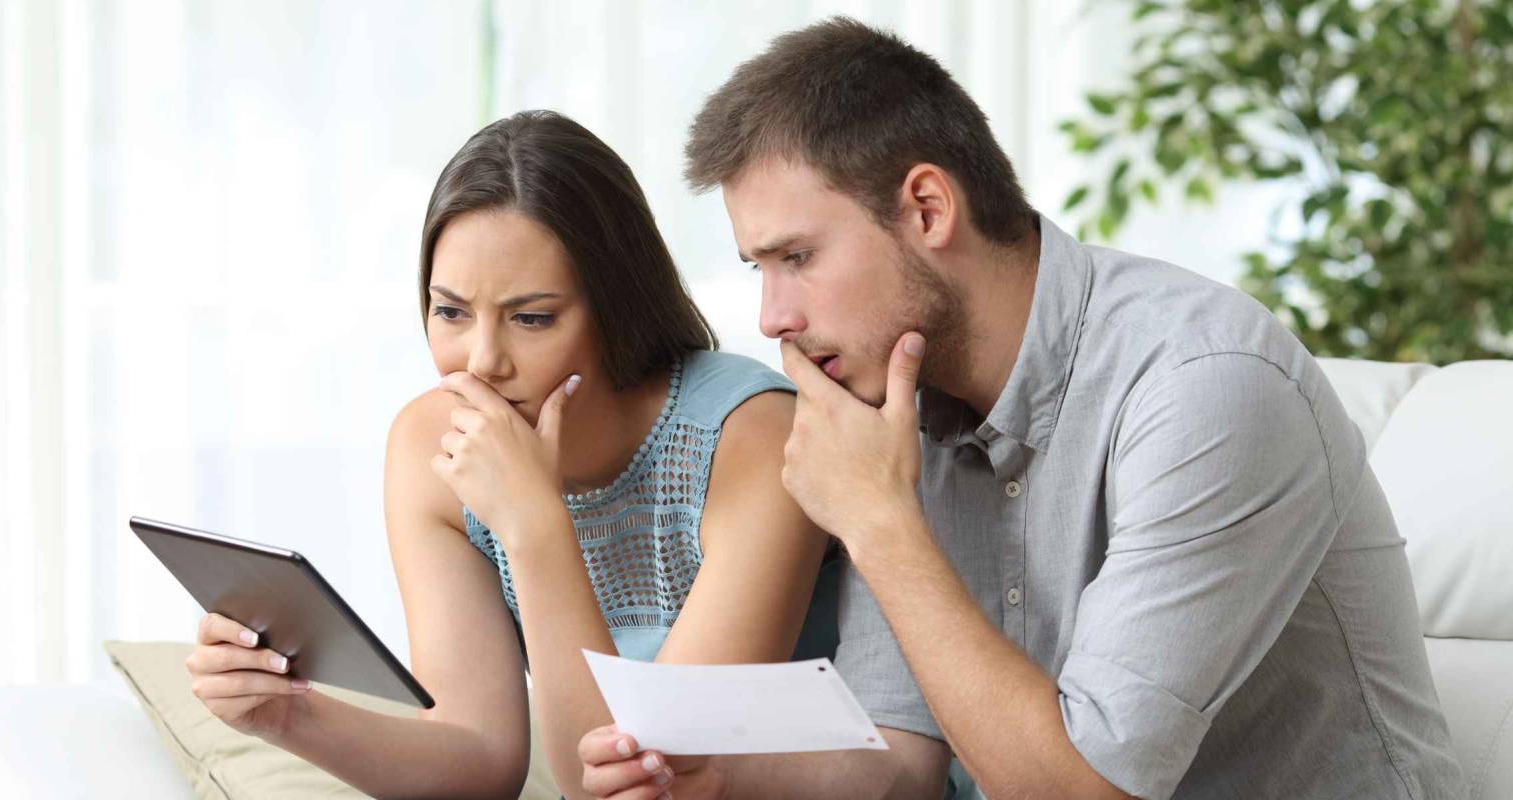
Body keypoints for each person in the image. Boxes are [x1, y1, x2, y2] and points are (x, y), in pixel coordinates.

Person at [580, 18, 1464, 800]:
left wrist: (879, 521)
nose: (773, 316)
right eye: (758, 270)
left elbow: (1083, 789)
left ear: (928, 207)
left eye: (797, 258)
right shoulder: (899, 403)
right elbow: (897, 760)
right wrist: (712, 776)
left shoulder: (1206, 388)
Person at [184, 109, 841, 799]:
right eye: (450, 312)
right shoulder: (430, 447)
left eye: (531, 319)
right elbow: (479, 757)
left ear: (618, 308)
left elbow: (628, 783)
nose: (483, 362)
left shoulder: (754, 437)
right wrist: (290, 714)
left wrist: (533, 523)